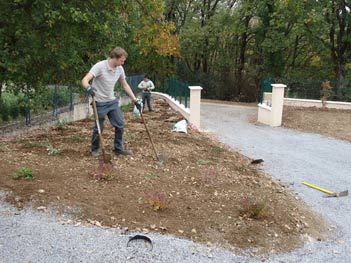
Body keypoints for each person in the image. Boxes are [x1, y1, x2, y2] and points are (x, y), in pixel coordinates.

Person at [82, 47, 142, 157]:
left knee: (120, 124)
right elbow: (85, 80)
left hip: (111, 101)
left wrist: (135, 100)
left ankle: (118, 149)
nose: (123, 63)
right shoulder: (100, 66)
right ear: (115, 58)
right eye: (122, 60)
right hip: (99, 102)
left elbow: (125, 85)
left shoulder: (119, 69)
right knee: (99, 127)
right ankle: (94, 150)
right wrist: (88, 88)